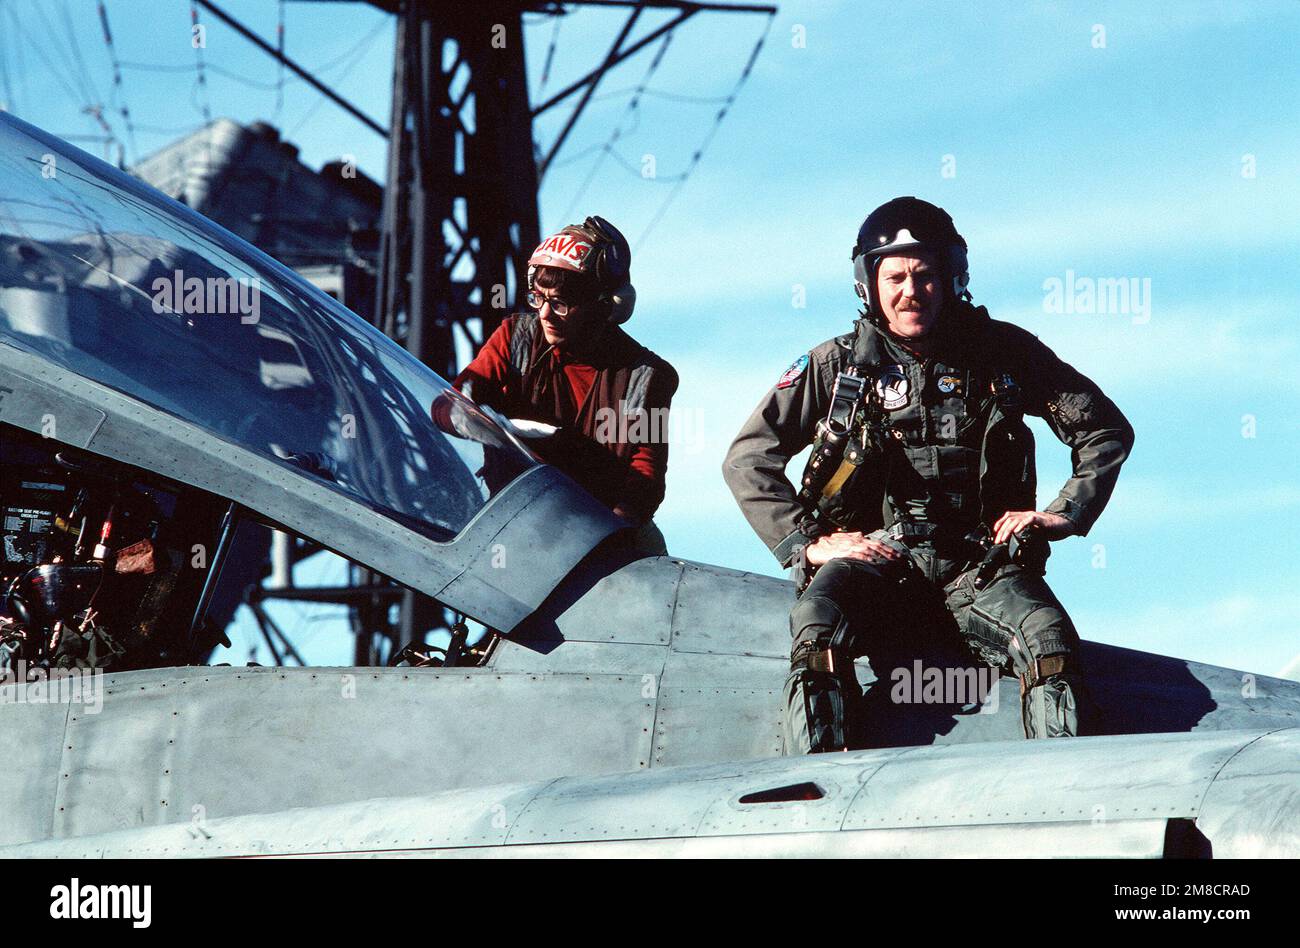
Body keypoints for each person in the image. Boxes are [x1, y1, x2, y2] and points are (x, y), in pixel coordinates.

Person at [722, 197, 1134, 752]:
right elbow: (749, 458)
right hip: (878, 562)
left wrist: (1064, 514)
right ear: (869, 283)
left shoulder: (1006, 354)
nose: (909, 291)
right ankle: (810, 797)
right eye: (894, 276)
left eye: (924, 275)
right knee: (816, 625)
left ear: (952, 278)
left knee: (1048, 638)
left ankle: (1063, 793)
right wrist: (807, 543)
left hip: (980, 566)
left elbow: (1104, 431)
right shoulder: (834, 365)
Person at [452, 216, 678, 553]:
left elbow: (645, 478)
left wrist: (605, 537)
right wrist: (467, 415)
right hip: (513, 521)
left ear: (604, 306)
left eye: (560, 303)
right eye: (537, 298)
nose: (544, 314)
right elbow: (452, 401)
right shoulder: (515, 336)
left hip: (603, 533)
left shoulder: (648, 375)